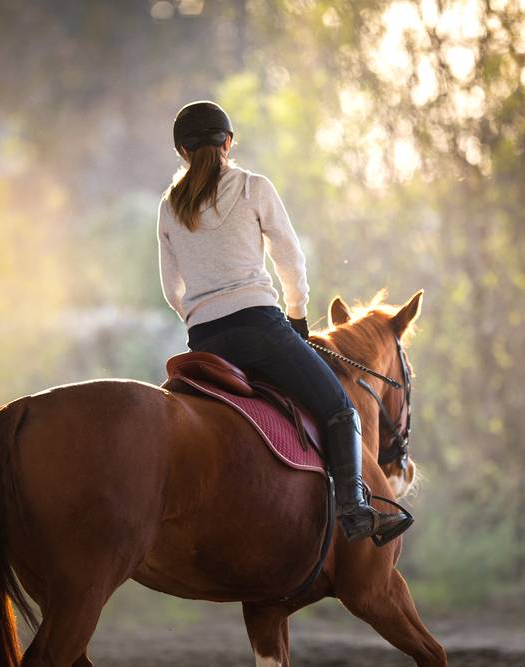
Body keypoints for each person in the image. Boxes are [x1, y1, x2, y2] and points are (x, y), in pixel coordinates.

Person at [156, 100, 409, 544]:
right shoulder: (253, 187)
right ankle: (354, 509)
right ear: (228, 144)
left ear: (182, 151)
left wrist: (199, 318)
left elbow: (170, 290)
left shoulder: (169, 207)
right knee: (339, 407)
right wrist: (296, 317)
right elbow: (290, 260)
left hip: (205, 342)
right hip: (260, 329)